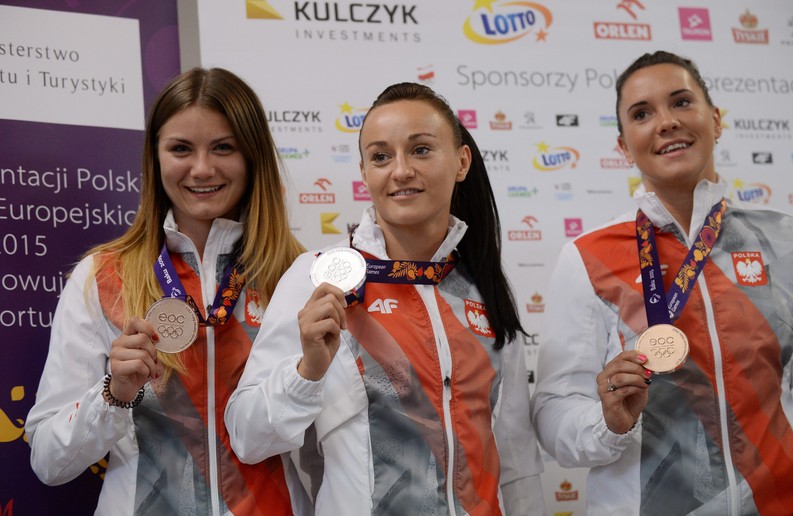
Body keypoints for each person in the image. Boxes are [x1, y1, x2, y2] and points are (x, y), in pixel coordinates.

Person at [225, 82, 545, 515]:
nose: (400, 171)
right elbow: (247, 438)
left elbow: (515, 456)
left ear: (461, 161)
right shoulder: (316, 278)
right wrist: (306, 372)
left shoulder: (482, 284)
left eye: (421, 150)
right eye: (380, 156)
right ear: (363, 172)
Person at [25, 67, 310, 515]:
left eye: (223, 147)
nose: (202, 168)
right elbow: (47, 459)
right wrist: (113, 395)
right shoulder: (102, 274)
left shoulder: (298, 275)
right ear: (155, 159)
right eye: (181, 148)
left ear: (252, 156)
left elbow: (340, 446)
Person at [532, 50, 793, 515]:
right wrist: (608, 421)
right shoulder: (587, 257)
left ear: (715, 120)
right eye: (642, 113)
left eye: (681, 102)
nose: (666, 122)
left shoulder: (785, 240)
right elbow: (553, 413)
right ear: (623, 146)